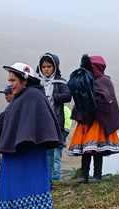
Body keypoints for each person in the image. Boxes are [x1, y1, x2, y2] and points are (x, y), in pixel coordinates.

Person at [0, 63, 63, 209]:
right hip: (15, 152)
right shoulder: (20, 98)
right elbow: (5, 120)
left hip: (28, 153)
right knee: (9, 188)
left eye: (13, 80)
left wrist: (23, 140)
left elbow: (36, 125)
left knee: (24, 188)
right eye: (9, 80)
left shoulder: (33, 96)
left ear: (25, 80)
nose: (10, 84)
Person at [68, 54, 119, 183]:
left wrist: (91, 100)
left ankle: (97, 175)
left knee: (97, 150)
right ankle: (83, 175)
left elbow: (106, 99)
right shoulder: (85, 81)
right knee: (86, 151)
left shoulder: (104, 81)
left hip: (98, 121)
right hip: (87, 121)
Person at [37, 53, 72, 182]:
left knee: (51, 149)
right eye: (43, 66)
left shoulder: (60, 82)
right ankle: (42, 175)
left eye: (49, 66)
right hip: (39, 121)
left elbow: (68, 96)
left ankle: (49, 176)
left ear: (55, 67)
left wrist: (54, 97)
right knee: (41, 149)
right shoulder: (36, 83)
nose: (46, 69)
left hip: (55, 120)